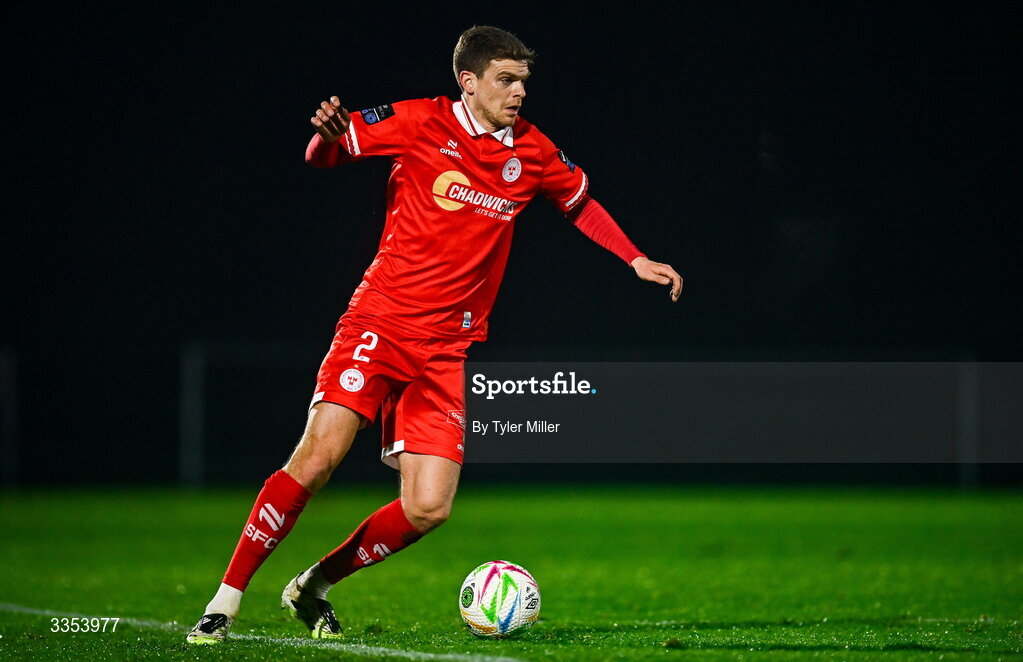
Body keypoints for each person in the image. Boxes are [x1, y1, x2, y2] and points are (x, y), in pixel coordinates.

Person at [186, 25, 682, 644]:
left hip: (447, 347)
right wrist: (325, 135)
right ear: (467, 81)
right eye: (507, 79)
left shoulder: (531, 150)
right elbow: (328, 155)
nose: (520, 90)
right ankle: (224, 603)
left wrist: (633, 258)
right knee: (317, 459)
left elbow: (577, 203)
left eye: (524, 79)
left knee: (428, 508)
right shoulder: (420, 122)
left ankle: (313, 586)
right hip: (381, 322)